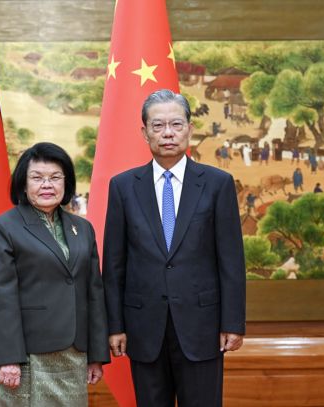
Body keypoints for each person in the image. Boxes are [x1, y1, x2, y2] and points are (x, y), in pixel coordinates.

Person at [103, 90, 246, 407]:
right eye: (158, 125)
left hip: (203, 326)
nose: (167, 133)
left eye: (176, 124)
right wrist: (115, 326)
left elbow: (231, 261)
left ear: (189, 129)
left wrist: (233, 323)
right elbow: (114, 265)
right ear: (145, 133)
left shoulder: (217, 184)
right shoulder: (123, 187)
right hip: (143, 327)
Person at [0, 142, 109, 406]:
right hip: (28, 355)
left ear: (66, 182)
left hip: (74, 354)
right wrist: (8, 358)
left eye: (55, 177)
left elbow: (93, 292)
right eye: (37, 178)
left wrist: (97, 354)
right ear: (23, 184)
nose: (47, 185)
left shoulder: (82, 228)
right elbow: (0, 298)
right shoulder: (4, 228)